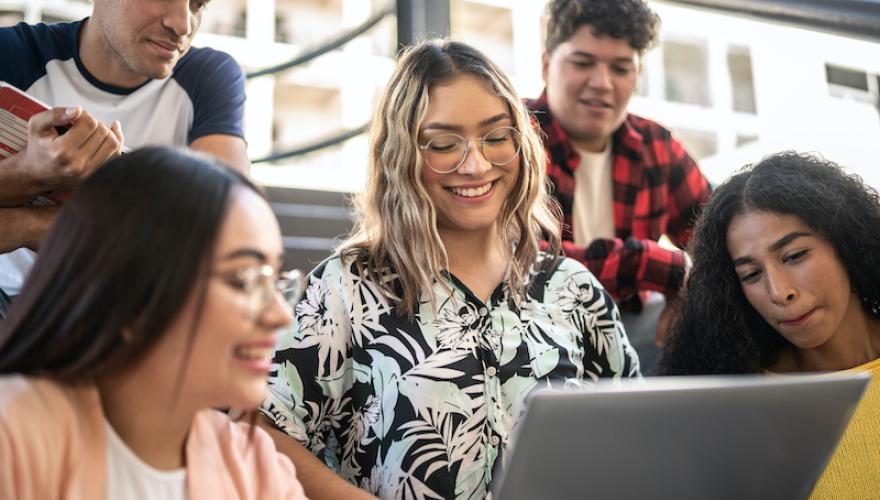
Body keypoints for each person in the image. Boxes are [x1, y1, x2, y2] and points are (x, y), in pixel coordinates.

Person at [259, 39, 640, 500]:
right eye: (443, 144)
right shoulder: (347, 287)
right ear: (400, 156)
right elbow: (264, 431)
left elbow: (636, 437)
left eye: (497, 137)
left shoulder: (574, 290)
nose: (476, 165)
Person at [0, 147, 305, 500]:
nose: (281, 314)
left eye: (277, 282)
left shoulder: (257, 466)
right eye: (244, 280)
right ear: (132, 298)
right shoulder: (14, 440)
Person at [0, 0, 249, 310]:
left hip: (136, 310)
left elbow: (235, 233)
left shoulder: (209, 76)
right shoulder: (10, 53)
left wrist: (27, 226)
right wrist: (29, 171)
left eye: (197, 5)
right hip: (15, 305)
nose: (183, 25)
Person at [660, 152, 880, 498]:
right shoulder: (738, 409)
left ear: (846, 242)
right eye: (751, 275)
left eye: (794, 256)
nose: (779, 292)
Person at [526, 0, 713, 365]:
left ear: (637, 75)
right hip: (530, 331)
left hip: (629, 333)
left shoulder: (657, 147)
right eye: (583, 63)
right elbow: (527, 265)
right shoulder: (510, 138)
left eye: (621, 67)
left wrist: (692, 285)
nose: (602, 83)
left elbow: (722, 239)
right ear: (547, 64)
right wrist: (660, 266)